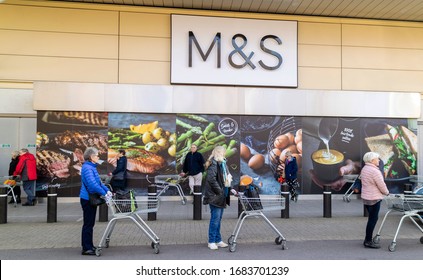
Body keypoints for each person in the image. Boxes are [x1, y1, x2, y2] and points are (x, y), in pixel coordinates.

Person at [80, 147, 111, 256]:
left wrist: (107, 190)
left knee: (90, 223)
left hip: (89, 198)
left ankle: (89, 245)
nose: (98, 157)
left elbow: (99, 183)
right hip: (87, 199)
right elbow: (92, 185)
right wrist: (104, 193)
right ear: (91, 157)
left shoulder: (91, 167)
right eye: (97, 155)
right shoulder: (87, 168)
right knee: (88, 224)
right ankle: (86, 248)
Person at [203, 146, 232, 250]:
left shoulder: (222, 163)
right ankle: (211, 241)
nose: (224, 154)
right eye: (223, 153)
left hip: (221, 195)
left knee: (218, 219)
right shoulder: (214, 164)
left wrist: (229, 186)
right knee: (215, 219)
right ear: (219, 153)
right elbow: (211, 180)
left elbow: (225, 178)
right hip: (215, 196)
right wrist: (220, 191)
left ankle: (218, 240)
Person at [360, 152, 389, 249]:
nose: (379, 160)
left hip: (366, 198)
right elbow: (381, 185)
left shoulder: (365, 169)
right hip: (374, 198)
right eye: (377, 159)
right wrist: (387, 193)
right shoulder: (375, 171)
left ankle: (368, 239)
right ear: (372, 160)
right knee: (373, 219)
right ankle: (368, 241)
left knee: (371, 218)